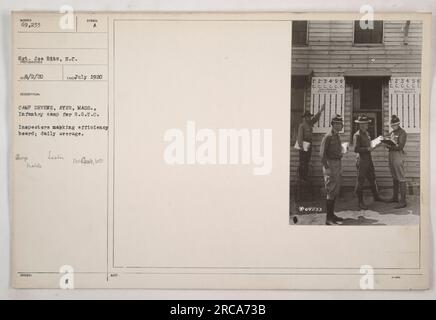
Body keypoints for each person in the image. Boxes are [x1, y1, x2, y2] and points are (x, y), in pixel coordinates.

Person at [353, 114, 386, 210]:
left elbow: (369, 144)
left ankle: (376, 197)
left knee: (372, 178)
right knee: (361, 181)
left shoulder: (366, 134)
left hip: (368, 159)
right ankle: (360, 202)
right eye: (363, 124)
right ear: (360, 125)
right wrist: (367, 149)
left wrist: (376, 143)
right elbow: (355, 149)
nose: (366, 126)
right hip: (362, 160)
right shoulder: (357, 135)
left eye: (366, 124)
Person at [320, 114, 344, 225]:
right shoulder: (328, 136)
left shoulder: (337, 136)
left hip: (337, 164)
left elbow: (336, 151)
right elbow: (322, 154)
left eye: (340, 123)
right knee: (330, 191)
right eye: (338, 123)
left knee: (334, 191)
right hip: (330, 165)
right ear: (333, 124)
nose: (340, 125)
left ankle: (332, 215)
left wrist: (342, 152)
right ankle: (328, 218)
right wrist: (327, 169)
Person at [296, 103, 325, 181]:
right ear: (304, 118)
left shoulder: (310, 124)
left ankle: (305, 177)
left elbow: (315, 118)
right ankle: (301, 177)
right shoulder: (302, 126)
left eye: (309, 117)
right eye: (307, 117)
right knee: (303, 162)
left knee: (307, 161)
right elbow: (299, 137)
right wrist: (301, 147)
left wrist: (320, 111)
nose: (309, 118)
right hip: (303, 145)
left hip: (309, 145)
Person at [385, 115, 408, 208]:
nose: (393, 127)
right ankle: (395, 197)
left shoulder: (402, 133)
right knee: (394, 177)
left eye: (395, 125)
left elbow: (400, 146)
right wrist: (386, 143)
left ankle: (403, 201)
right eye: (392, 125)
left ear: (398, 124)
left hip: (398, 155)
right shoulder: (392, 133)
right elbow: (390, 144)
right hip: (391, 155)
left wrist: (390, 146)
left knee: (401, 178)